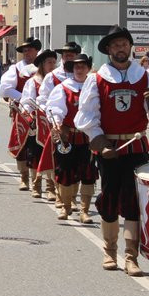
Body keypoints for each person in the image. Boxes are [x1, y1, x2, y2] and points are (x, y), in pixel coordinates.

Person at [75, 25, 149, 277]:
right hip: (109, 148)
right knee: (109, 197)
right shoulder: (97, 79)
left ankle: (131, 256)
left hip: (137, 145)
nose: (120, 48)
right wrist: (99, 142)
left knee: (133, 200)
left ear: (130, 47)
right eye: (115, 45)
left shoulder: (145, 76)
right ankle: (109, 250)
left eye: (124, 44)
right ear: (108, 50)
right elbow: (85, 116)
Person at [44, 54, 97, 222]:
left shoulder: (95, 86)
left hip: (89, 137)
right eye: (76, 66)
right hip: (68, 137)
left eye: (83, 66)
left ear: (88, 68)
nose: (79, 69)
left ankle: (84, 210)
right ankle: (66, 207)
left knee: (88, 174)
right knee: (65, 172)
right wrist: (57, 122)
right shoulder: (64, 87)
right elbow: (55, 108)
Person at [0, 37, 41, 190]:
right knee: (21, 143)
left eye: (29, 49)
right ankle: (24, 177)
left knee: (39, 143)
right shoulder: (16, 69)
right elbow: (4, 89)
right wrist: (24, 98)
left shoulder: (42, 67)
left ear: (36, 50)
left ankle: (38, 179)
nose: (27, 53)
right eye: (24, 50)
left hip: (41, 113)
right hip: (22, 112)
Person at [20, 49, 58, 201]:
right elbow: (26, 102)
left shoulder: (56, 81)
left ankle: (51, 188)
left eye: (54, 62)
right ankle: (36, 185)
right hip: (37, 123)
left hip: (52, 123)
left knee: (51, 154)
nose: (52, 65)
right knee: (35, 154)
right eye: (49, 62)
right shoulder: (32, 82)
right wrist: (30, 116)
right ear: (42, 64)